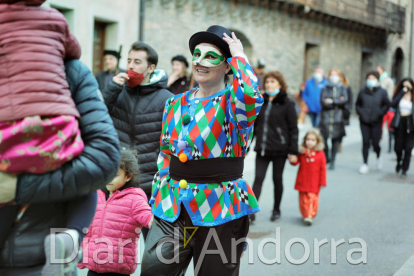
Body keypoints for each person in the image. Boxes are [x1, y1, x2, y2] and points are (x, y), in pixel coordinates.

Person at [140, 25, 264, 276]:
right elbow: (165, 152)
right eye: (196, 54)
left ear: (227, 66)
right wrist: (157, 195)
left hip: (220, 208)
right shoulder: (175, 102)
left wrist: (240, 57)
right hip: (172, 205)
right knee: (154, 270)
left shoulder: (234, 104)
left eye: (210, 56)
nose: (199, 61)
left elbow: (251, 95)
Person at [0, 2, 98, 275]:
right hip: (57, 131)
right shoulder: (55, 19)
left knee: (8, 189)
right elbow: (74, 49)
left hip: (10, 132)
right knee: (84, 184)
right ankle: (70, 237)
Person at [0, 59, 120, 276]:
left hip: (12, 159)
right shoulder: (70, 69)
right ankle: (71, 237)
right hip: (60, 150)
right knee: (85, 185)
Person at [102, 41, 173, 239]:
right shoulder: (117, 92)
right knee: (111, 246)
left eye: (137, 62)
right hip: (118, 181)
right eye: (129, 61)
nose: (130, 66)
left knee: (156, 246)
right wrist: (111, 90)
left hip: (150, 184)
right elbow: (97, 116)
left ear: (150, 68)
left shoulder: (167, 98)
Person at [78, 149, 153, 276]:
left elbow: (147, 217)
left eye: (115, 174)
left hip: (118, 269)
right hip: (93, 268)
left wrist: (154, 220)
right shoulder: (97, 196)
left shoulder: (134, 198)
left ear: (128, 176)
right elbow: (89, 229)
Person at [251, 71, 298, 222]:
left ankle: (276, 209)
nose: (269, 84)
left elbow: (293, 129)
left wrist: (292, 150)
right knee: (258, 178)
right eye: (267, 82)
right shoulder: (260, 102)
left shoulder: (287, 103)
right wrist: (246, 146)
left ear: (279, 84)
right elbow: (254, 126)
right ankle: (250, 212)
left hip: (279, 149)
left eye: (272, 81)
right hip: (262, 149)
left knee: (277, 179)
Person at [356, 70, 391, 174]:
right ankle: (365, 163)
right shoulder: (362, 91)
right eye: (369, 78)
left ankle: (378, 156)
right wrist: (361, 113)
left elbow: (387, 104)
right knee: (365, 142)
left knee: (375, 143)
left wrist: (380, 113)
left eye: (373, 78)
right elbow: (358, 104)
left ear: (377, 80)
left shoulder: (382, 92)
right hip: (364, 121)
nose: (371, 80)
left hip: (376, 121)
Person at [290, 128, 326, 225]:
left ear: (317, 141)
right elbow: (296, 162)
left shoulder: (321, 154)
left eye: (313, 140)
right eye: (308, 139)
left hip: (314, 181)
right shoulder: (302, 152)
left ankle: (310, 215)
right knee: (302, 199)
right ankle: (305, 214)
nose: (310, 142)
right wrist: (292, 159)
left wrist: (322, 182)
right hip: (303, 179)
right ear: (305, 140)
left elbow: (323, 169)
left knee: (312, 198)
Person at [319, 69, 348, 170]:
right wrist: (337, 102)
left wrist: (332, 101)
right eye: (332, 75)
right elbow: (323, 101)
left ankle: (333, 160)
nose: (333, 77)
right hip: (326, 117)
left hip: (338, 118)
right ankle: (327, 156)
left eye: (336, 75)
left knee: (335, 139)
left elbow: (344, 100)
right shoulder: (324, 88)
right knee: (324, 138)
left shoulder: (343, 88)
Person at [390, 78, 414, 179]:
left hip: (411, 124)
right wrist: (401, 93)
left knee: (408, 148)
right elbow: (392, 104)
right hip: (399, 123)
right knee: (398, 147)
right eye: (404, 86)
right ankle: (399, 161)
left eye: (408, 86)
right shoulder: (399, 95)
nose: (406, 88)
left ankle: (404, 169)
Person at [377, 66, 396, 153]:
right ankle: (377, 142)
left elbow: (389, 94)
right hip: (378, 106)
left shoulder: (388, 81)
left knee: (389, 127)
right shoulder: (377, 80)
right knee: (379, 126)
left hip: (386, 107)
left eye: (378, 69)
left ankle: (390, 146)